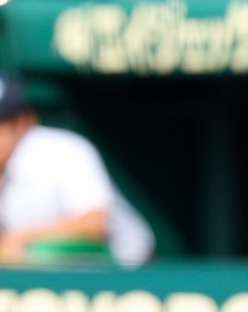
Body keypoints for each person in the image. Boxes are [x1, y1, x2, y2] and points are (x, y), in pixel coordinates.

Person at [0, 71, 155, 267]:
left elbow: (95, 224)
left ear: (24, 122)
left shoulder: (62, 150)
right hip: (53, 276)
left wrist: (20, 238)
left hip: (131, 272)